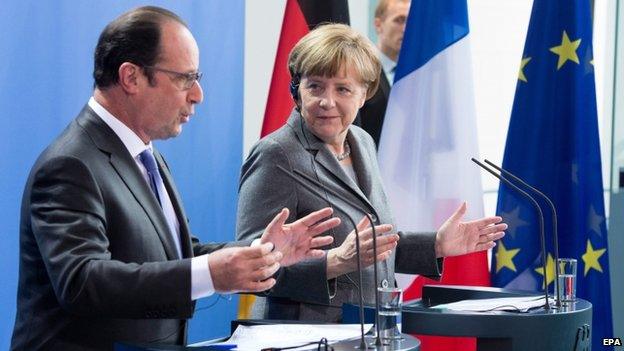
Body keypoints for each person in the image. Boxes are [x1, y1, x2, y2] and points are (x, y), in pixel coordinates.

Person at [11, 6, 341, 351]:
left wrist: (257, 253)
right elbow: (82, 282)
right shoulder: (71, 163)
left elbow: (170, 254)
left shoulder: (146, 154)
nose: (198, 94)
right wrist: (209, 275)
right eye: (185, 78)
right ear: (131, 77)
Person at [236, 23, 507, 322]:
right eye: (315, 86)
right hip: (305, 333)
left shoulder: (362, 142)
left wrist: (436, 244)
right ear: (297, 91)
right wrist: (333, 262)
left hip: (372, 325)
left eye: (342, 89)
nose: (327, 101)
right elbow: (250, 265)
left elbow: (371, 247)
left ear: (363, 94)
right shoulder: (277, 154)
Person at [357, 0, 410, 147]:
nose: (406, 28)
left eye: (411, 21)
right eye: (399, 20)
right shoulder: (359, 70)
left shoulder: (422, 78)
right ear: (378, 25)